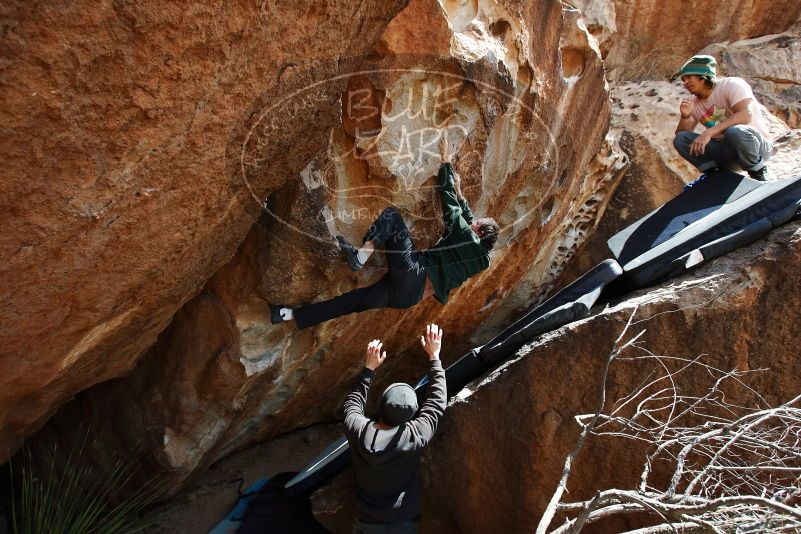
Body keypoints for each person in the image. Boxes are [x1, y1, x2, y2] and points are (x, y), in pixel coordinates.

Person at [270, 137, 499, 329]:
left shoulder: (468, 237)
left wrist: (446, 164)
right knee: (350, 303)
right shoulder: (481, 259)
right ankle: (286, 315)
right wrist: (461, 193)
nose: (472, 223)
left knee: (392, 217)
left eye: (475, 224)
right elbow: (468, 217)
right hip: (408, 298)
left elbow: (450, 204)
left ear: (478, 232)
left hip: (413, 274)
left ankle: (361, 255)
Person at [342, 324, 447, 533]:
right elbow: (436, 402)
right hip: (401, 523)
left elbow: (352, 403)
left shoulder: (357, 429)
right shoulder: (415, 436)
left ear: (379, 405)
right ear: (412, 415)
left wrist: (369, 368)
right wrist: (434, 356)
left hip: (365, 522)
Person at [672, 54, 773, 188]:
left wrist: (708, 133)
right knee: (680, 139)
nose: (685, 83)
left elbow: (745, 115)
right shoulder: (694, 103)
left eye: (689, 77)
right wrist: (685, 116)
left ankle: (758, 172)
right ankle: (715, 176)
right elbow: (682, 136)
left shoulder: (732, 85)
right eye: (683, 79)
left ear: (704, 75)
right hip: (728, 154)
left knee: (735, 131)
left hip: (756, 148)